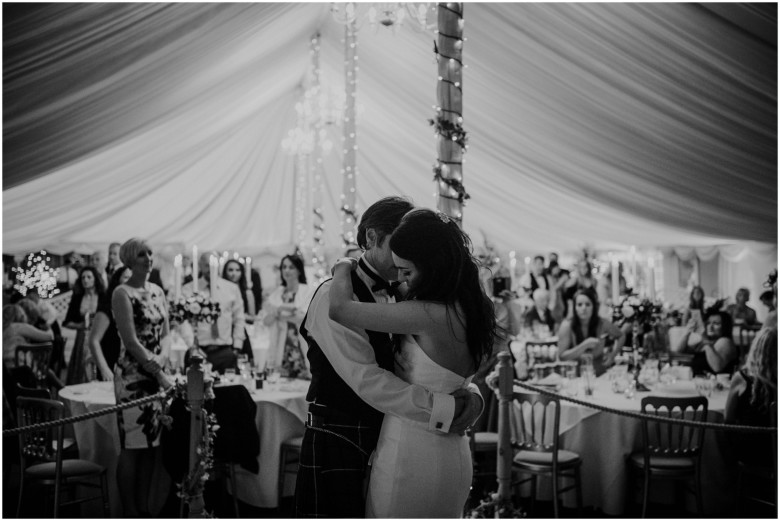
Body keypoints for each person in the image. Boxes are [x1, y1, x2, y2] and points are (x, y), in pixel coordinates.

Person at [293, 197, 485, 518]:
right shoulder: (333, 295)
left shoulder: (408, 291)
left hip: (392, 438)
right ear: (372, 238)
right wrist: (447, 406)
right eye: (401, 243)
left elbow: (428, 363)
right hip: (339, 439)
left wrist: (470, 395)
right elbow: (368, 380)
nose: (406, 255)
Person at [112, 238, 172, 517]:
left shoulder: (158, 291)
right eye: (141, 255)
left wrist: (162, 358)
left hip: (156, 371)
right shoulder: (122, 293)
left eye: (150, 252)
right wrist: (156, 370)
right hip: (133, 378)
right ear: (129, 260)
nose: (148, 258)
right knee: (133, 446)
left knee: (152, 446)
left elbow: (167, 333)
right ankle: (130, 512)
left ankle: (147, 510)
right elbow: (130, 340)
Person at [725, 326, 776, 507]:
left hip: (753, 452)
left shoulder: (743, 378)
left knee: (722, 441)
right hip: (774, 451)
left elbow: (728, 421)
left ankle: (723, 496)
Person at [181, 252, 245, 372]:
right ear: (200, 266)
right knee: (195, 389)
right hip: (198, 350)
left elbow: (239, 319)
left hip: (225, 350)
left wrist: (237, 346)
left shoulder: (231, 288)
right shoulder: (188, 289)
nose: (211, 269)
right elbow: (183, 321)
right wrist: (192, 346)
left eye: (214, 265)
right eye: (207, 265)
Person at [261, 254, 312, 377]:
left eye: (291, 267)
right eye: (284, 267)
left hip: (302, 344)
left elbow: (306, 318)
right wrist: (285, 310)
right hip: (280, 345)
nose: (286, 270)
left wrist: (278, 312)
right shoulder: (276, 293)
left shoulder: (308, 291)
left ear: (299, 270)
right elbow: (266, 321)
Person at [558, 288, 625, 376]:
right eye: (579, 305)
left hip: (599, 374)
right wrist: (585, 345)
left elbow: (621, 335)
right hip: (575, 375)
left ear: (594, 306)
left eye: (588, 304)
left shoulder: (602, 323)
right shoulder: (567, 325)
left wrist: (612, 355)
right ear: (575, 308)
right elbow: (562, 356)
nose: (584, 308)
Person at [87, 266, 132, 381]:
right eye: (126, 277)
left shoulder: (134, 306)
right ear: (117, 281)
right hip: (111, 363)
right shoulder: (108, 306)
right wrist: (104, 369)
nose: (130, 281)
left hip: (130, 367)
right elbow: (93, 340)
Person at [63, 266, 106, 384]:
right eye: (83, 278)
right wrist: (81, 325)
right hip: (82, 338)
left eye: (89, 277)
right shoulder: (77, 297)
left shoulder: (103, 296)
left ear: (95, 279)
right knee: (81, 368)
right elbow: (67, 322)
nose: (85, 280)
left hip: (101, 337)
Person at [675, 309, 738, 375]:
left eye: (716, 323)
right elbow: (680, 351)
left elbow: (717, 367)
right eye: (708, 323)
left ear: (725, 326)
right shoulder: (705, 342)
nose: (710, 327)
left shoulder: (725, 341)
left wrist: (703, 336)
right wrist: (688, 332)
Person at [222, 259, 257, 363]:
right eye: (230, 270)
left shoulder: (247, 293)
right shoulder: (220, 291)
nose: (234, 273)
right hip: (224, 331)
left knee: (243, 361)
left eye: (237, 270)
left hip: (239, 330)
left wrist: (238, 315)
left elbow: (252, 317)